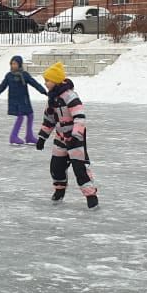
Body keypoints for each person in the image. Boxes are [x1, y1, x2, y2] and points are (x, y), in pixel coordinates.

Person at [35, 61, 99, 209]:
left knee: (80, 169)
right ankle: (59, 190)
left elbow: (80, 117)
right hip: (60, 138)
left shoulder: (70, 96)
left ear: (56, 80)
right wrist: (42, 137)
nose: (45, 83)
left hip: (75, 140)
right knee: (56, 167)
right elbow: (49, 120)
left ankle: (91, 195)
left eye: (47, 80)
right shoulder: (52, 99)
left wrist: (76, 135)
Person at [0, 55, 48, 146]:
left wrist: (43, 91)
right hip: (15, 100)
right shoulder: (9, 76)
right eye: (12, 64)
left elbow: (34, 83)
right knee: (20, 117)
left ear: (19, 64)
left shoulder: (24, 75)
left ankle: (29, 136)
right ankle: (13, 136)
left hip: (24, 99)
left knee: (30, 115)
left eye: (15, 64)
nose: (13, 65)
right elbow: (2, 86)